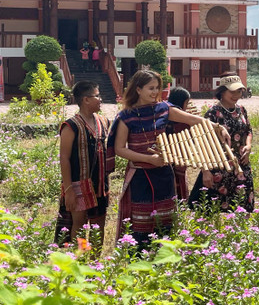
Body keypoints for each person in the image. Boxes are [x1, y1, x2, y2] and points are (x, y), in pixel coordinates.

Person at [108, 70, 230, 249]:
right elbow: (120, 149)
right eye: (150, 88)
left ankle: (163, 263)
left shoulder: (163, 109)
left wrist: (218, 127)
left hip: (164, 175)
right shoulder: (126, 116)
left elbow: (193, 120)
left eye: (157, 88)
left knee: (166, 221)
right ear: (138, 89)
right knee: (141, 223)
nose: (155, 92)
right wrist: (149, 160)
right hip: (140, 177)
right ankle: (140, 262)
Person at [55, 81, 112, 249]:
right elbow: (64, 158)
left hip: (101, 184)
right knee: (78, 225)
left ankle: (95, 263)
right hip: (78, 184)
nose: (100, 99)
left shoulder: (103, 122)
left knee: (98, 224)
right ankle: (78, 261)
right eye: (97, 96)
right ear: (86, 100)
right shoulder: (71, 126)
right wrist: (68, 189)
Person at [187, 73, 254, 212]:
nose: (236, 94)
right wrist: (205, 170)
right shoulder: (213, 113)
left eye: (239, 91)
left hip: (241, 165)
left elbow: (248, 130)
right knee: (212, 208)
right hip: (219, 166)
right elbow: (202, 143)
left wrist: (248, 145)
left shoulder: (241, 110)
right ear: (222, 92)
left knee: (242, 206)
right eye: (232, 91)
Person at [165, 86, 196, 201]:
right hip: (179, 158)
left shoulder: (164, 116)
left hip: (165, 157)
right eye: (187, 103)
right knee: (178, 182)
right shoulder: (183, 122)